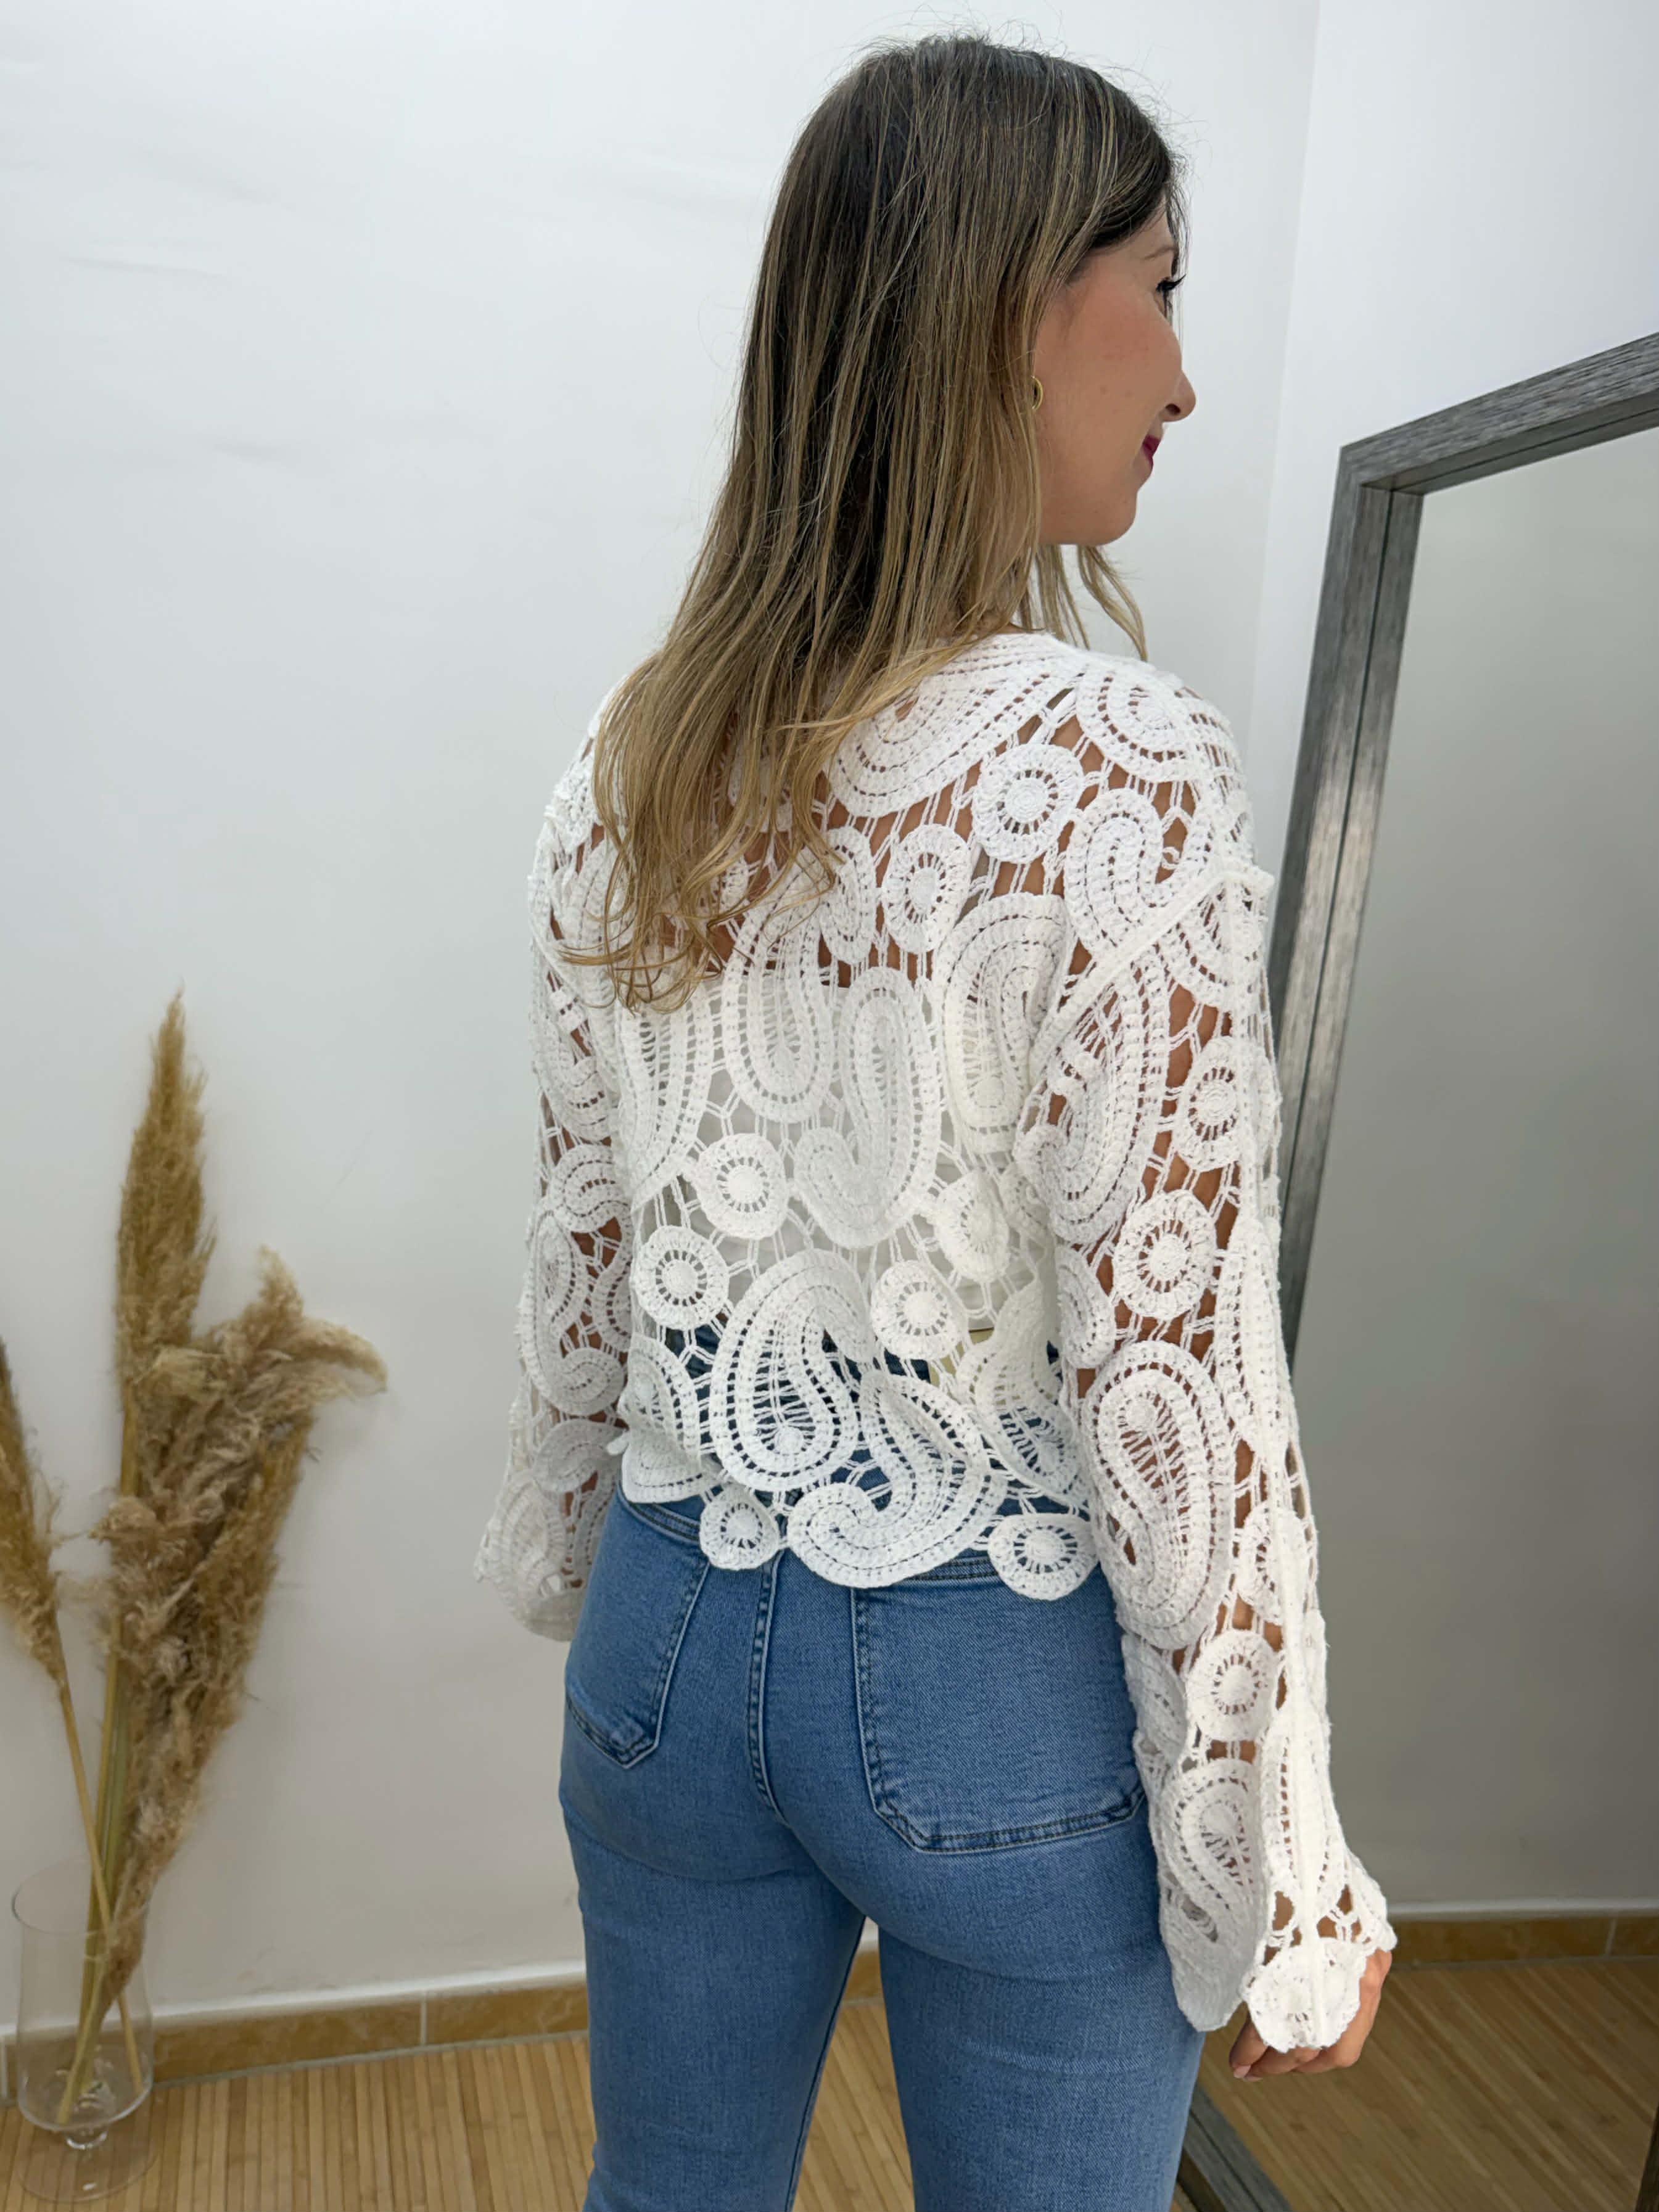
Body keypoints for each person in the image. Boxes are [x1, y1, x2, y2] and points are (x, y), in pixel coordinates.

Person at [475, 30, 1395, 2211]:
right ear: (1012, 307)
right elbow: (1178, 1369)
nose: (1184, 377)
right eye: (1158, 289)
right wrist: (1279, 1861)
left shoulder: (636, 753)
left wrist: (577, 1537)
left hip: (667, 1627)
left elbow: (589, 1235)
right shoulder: (1112, 766)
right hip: (995, 1681)